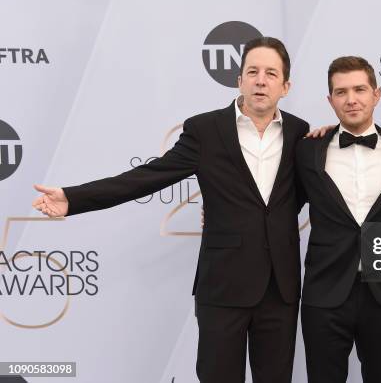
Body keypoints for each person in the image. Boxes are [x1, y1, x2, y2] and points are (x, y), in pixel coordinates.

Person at [32, 37, 310, 383]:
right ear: (239, 80)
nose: (260, 80)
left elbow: (299, 194)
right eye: (252, 71)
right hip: (222, 287)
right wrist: (74, 198)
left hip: (279, 289)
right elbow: (146, 177)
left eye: (271, 73)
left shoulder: (301, 133)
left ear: (286, 86)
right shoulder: (205, 130)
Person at [296, 56, 381, 383]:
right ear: (330, 100)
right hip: (324, 292)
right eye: (341, 92)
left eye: (360, 90)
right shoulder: (307, 151)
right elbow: (277, 204)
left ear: (376, 94)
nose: (351, 99)